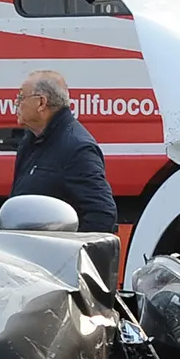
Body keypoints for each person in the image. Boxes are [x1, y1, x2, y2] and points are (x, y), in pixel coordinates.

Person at [8, 69, 118, 235]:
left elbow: (102, 215)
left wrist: (68, 251)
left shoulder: (77, 149)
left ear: (41, 103)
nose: (16, 103)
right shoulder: (30, 141)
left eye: (21, 97)